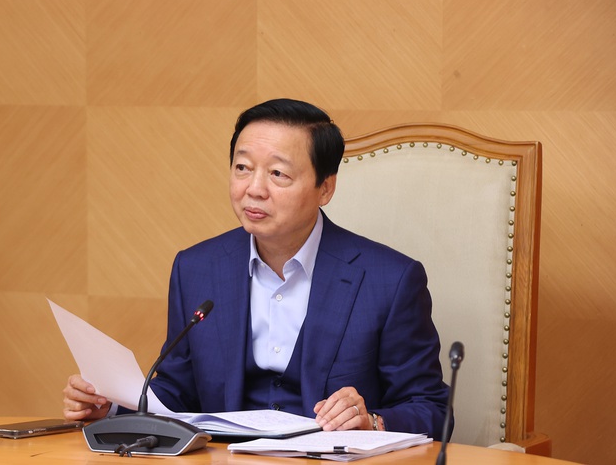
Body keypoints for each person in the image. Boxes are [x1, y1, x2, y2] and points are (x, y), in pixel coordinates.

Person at [63, 98, 451, 438]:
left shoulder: (389, 280)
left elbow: (433, 409)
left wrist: (372, 421)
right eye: (243, 168)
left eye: (278, 173)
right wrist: (110, 406)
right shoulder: (196, 268)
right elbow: (179, 392)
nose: (254, 189)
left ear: (325, 188)